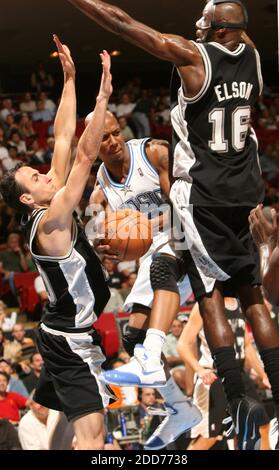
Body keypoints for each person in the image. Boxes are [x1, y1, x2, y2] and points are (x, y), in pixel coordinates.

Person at [66, 0, 279, 449]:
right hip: (243, 195)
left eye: (204, 23)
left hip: (200, 201)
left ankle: (236, 399)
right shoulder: (255, 61)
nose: (196, 27)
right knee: (248, 297)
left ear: (220, 31)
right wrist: (113, 240)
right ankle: (179, 398)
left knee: (210, 296)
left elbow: (125, 24)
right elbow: (99, 226)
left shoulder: (193, 62)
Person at [0, 39, 112, 450]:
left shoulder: (50, 202)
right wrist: (101, 100)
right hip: (71, 339)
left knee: (65, 420)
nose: (46, 175)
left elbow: (64, 138)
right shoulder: (51, 220)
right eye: (36, 178)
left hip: (60, 329)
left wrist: (69, 79)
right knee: (94, 436)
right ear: (28, 198)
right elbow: (84, 156)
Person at [88, 111, 201, 448]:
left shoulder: (152, 152)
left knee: (160, 268)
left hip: (184, 238)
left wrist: (141, 228)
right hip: (154, 252)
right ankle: (180, 407)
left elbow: (180, 206)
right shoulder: (103, 182)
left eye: (114, 132)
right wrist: (101, 241)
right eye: (104, 139)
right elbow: (93, 218)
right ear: (93, 149)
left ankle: (153, 359)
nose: (113, 141)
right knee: (131, 336)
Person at [177, 299, 271, 450]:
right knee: (210, 437)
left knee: (261, 425)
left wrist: (263, 375)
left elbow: (246, 345)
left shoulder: (239, 303)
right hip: (214, 376)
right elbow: (182, 344)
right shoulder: (204, 304)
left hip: (239, 374)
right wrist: (199, 370)